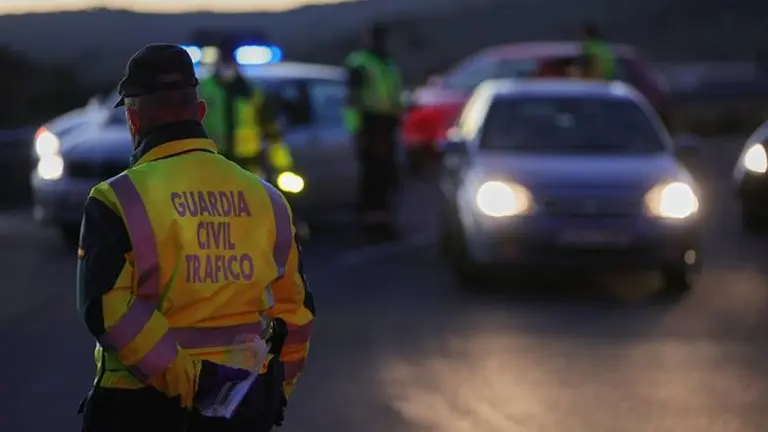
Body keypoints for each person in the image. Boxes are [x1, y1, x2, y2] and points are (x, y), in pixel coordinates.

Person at [76, 43, 315, 432]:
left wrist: (193, 383)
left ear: (133, 121)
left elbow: (107, 310)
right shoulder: (268, 200)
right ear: (201, 113)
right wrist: (274, 390)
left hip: (137, 407)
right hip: (242, 404)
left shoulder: (116, 199)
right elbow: (296, 312)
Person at [199, 38, 309, 238]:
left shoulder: (251, 91)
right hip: (213, 163)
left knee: (251, 213)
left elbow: (271, 130)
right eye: (223, 59)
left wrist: (283, 165)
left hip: (248, 163)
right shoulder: (203, 89)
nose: (226, 65)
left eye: (229, 59)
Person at [344, 22, 403, 239]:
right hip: (370, 124)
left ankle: (383, 221)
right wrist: (358, 130)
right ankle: (372, 225)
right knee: (373, 177)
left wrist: (398, 119)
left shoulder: (388, 63)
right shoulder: (360, 64)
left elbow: (394, 95)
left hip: (387, 124)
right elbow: (352, 100)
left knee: (386, 175)